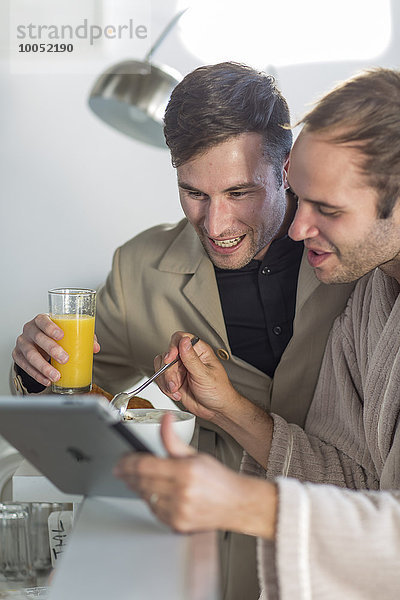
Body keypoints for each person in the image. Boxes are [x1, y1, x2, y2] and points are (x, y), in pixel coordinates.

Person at [11, 63, 354, 600]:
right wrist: (36, 370)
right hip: (209, 566)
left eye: (240, 193)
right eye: (193, 193)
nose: (216, 226)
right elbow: (75, 399)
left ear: (286, 168)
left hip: (342, 557)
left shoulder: (351, 263)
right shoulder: (138, 268)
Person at [114, 67, 400, 599]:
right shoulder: (373, 299)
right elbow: (351, 480)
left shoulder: (349, 281)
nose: (297, 228)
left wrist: (241, 501)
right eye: (301, 199)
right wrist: (225, 407)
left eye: (327, 209)